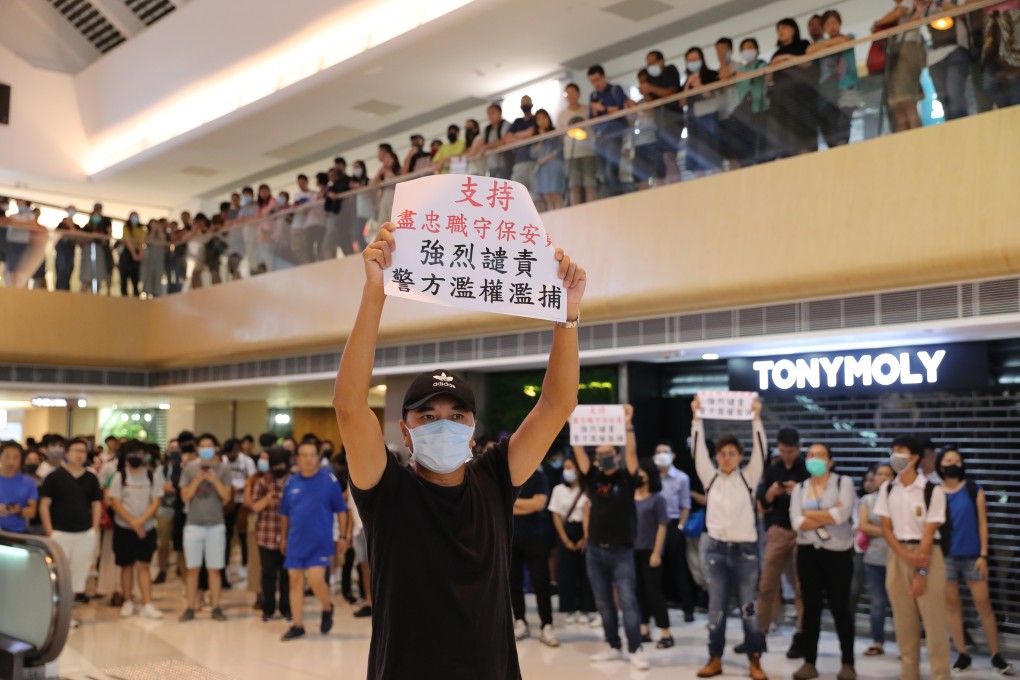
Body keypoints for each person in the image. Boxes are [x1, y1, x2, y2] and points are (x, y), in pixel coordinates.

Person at [335, 221, 586, 679]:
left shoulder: (494, 478)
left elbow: (557, 404)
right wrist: (376, 291)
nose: (443, 425)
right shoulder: (385, 490)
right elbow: (350, 407)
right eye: (427, 416)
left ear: (473, 430)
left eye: (457, 415)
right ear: (405, 431)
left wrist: (566, 317)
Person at [691, 397, 768, 680]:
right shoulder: (710, 478)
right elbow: (697, 451)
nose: (726, 457)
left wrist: (756, 419)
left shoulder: (749, 478)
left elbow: (762, 451)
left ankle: (755, 660)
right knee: (716, 609)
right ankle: (714, 658)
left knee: (749, 609)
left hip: (745, 552)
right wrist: (696, 418)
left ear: (739, 456)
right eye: (722, 453)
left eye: (732, 453)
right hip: (715, 551)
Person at [572, 405, 650, 671]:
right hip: (595, 549)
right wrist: (574, 424)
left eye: (608, 453)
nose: (603, 456)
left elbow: (632, 453)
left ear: (615, 456)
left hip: (621, 550)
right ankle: (612, 645)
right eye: (599, 453)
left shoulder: (626, 478)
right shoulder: (593, 478)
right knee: (604, 602)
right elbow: (579, 453)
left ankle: (636, 648)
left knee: (627, 601)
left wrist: (628, 425)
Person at [874, 435, 951, 680]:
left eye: (901, 450)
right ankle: (909, 673)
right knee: (903, 622)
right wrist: (903, 555)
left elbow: (929, 531)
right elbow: (886, 527)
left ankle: (940, 674)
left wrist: (921, 570)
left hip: (927, 556)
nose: (895, 454)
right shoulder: (888, 488)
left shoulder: (932, 490)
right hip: (898, 556)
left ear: (915, 457)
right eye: (893, 449)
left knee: (934, 623)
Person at [937, 448, 1014, 674]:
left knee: (984, 605)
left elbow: (982, 524)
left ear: (963, 464)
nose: (953, 463)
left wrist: (983, 555)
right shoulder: (934, 492)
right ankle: (962, 654)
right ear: (941, 465)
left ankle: (996, 654)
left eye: (957, 460)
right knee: (951, 606)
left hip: (972, 555)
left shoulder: (973, 489)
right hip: (945, 555)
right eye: (948, 460)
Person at [788, 443, 857, 680]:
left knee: (840, 608)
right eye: (810, 455)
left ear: (830, 461)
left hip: (837, 553)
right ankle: (809, 662)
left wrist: (810, 515)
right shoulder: (800, 488)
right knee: (811, 609)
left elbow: (842, 516)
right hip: (808, 553)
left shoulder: (843, 483)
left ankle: (848, 663)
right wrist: (826, 515)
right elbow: (796, 522)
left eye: (820, 455)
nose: (814, 459)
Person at [278, 441, 348, 640]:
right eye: (304, 455)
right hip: (296, 541)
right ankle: (297, 625)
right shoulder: (292, 482)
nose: (308, 459)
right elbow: (285, 513)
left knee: (316, 581)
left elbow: (341, 510)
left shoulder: (329, 481)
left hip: (320, 541)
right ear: (297, 459)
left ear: (318, 457)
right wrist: (283, 537)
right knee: (295, 581)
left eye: (312, 455)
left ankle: (327, 607)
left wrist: (342, 536)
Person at [754, 427, 807, 657]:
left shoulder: (807, 469)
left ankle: (801, 636)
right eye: (783, 450)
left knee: (801, 588)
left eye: (791, 451)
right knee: (766, 586)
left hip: (802, 531)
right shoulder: (772, 468)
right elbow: (761, 505)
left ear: (799, 447)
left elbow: (817, 503)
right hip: (776, 529)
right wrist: (772, 493)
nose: (787, 455)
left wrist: (800, 492)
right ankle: (758, 635)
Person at [39, 438, 103, 604]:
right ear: (67, 453)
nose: (79, 455)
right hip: (60, 532)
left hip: (84, 533)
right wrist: (50, 531)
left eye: (83, 451)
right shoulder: (54, 477)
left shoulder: (91, 478)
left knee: (77, 576)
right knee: (59, 575)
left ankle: (69, 614)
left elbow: (96, 504)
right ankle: (57, 614)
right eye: (76, 450)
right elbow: (44, 505)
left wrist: (94, 529)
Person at [178, 434, 233, 622]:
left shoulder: (223, 469)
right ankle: (190, 607)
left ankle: (216, 606)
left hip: (215, 525)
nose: (206, 449)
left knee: (215, 569)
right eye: (202, 446)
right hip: (193, 524)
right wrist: (197, 480)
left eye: (209, 445)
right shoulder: (190, 468)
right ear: (198, 449)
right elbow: (184, 496)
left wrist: (214, 479)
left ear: (215, 448)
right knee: (192, 568)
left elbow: (226, 496)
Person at [107, 440, 164, 619]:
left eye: (139, 453)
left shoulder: (151, 476)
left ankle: (147, 603)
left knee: (144, 565)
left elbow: (156, 501)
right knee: (126, 566)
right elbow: (115, 502)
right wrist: (133, 522)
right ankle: (127, 601)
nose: (136, 457)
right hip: (124, 527)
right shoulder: (120, 477)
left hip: (146, 528)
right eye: (132, 454)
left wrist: (141, 521)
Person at [509, 465, 557, 646]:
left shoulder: (539, 477)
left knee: (540, 582)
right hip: (511, 535)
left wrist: (512, 502)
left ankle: (547, 624)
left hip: (535, 537)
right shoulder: (510, 474)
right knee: (513, 582)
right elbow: (499, 502)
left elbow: (538, 504)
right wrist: (524, 504)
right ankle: (520, 620)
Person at [548, 456, 595, 625]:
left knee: (585, 572)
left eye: (570, 468)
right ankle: (568, 608)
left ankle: (585, 609)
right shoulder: (558, 489)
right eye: (565, 468)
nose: (567, 471)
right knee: (566, 572)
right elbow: (555, 515)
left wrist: (585, 537)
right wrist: (565, 539)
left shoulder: (587, 490)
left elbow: (590, 514)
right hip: (565, 530)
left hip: (584, 530)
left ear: (578, 470)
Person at [653, 441, 695, 622]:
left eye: (665, 451)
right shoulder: (651, 476)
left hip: (673, 524)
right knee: (655, 569)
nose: (662, 454)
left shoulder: (681, 478)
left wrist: (680, 526)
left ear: (673, 455)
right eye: (658, 451)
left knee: (679, 568)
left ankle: (688, 608)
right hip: (653, 527)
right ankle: (655, 607)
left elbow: (686, 505)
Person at [633, 458, 673, 648]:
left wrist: (657, 552)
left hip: (650, 551)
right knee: (638, 592)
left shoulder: (657, 498)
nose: (639, 476)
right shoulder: (631, 496)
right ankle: (643, 629)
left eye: (642, 473)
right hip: (632, 551)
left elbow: (662, 526)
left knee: (654, 592)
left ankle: (665, 632)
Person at [858, 462, 894, 657]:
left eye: (887, 474)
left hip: (897, 558)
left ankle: (906, 643)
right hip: (873, 559)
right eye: (879, 474)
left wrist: (879, 530)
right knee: (878, 602)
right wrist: (889, 531)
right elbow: (864, 527)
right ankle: (877, 642)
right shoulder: (867, 500)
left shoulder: (899, 500)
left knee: (901, 604)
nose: (882, 478)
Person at [808, 11, 861, 148]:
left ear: (840, 23)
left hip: (848, 85)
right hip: (827, 88)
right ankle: (835, 148)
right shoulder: (820, 42)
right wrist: (830, 44)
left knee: (844, 120)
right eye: (828, 24)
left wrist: (826, 45)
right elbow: (810, 50)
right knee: (829, 121)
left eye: (834, 22)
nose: (832, 26)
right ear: (823, 28)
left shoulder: (849, 36)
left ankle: (842, 146)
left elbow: (844, 41)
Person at [769, 19, 819, 158]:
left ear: (793, 29)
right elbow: (770, 78)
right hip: (781, 102)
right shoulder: (775, 54)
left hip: (802, 99)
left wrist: (788, 58)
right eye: (778, 29)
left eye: (784, 28)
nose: (780, 32)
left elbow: (809, 63)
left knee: (804, 138)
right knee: (785, 139)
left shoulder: (802, 44)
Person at [875, 1, 925, 132]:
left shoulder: (907, 3)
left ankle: (916, 137)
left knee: (907, 101)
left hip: (906, 50)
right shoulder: (900, 7)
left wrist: (878, 23)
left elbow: (898, 13)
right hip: (897, 54)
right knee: (897, 104)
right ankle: (903, 137)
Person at [719, 38, 769, 168]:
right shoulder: (739, 68)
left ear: (757, 49)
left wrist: (739, 74)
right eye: (744, 48)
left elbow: (767, 77)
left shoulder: (762, 64)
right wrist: (723, 58)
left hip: (759, 109)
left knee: (761, 147)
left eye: (750, 47)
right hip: (743, 113)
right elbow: (724, 76)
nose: (747, 51)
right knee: (744, 148)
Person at [640, 50, 683, 183]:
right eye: (648, 65)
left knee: (668, 155)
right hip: (658, 123)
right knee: (662, 158)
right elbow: (651, 102)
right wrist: (644, 93)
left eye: (653, 63)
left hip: (673, 120)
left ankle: (676, 185)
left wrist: (650, 88)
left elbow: (669, 92)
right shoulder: (650, 79)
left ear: (661, 61)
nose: (650, 67)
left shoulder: (671, 70)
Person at [588, 65, 631, 197]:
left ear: (604, 77)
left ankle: (619, 198)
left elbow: (621, 109)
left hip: (614, 133)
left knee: (610, 171)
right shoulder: (593, 95)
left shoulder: (615, 90)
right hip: (600, 136)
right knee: (603, 173)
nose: (596, 84)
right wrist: (596, 112)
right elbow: (591, 119)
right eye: (592, 81)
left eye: (597, 79)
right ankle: (612, 198)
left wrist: (603, 109)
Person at [682, 47, 722, 177]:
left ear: (702, 59)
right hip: (693, 119)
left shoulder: (711, 74)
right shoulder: (685, 81)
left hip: (710, 116)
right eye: (690, 60)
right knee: (695, 155)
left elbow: (713, 95)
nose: (693, 62)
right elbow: (682, 103)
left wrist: (698, 85)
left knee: (712, 152)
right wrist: (688, 85)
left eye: (695, 58)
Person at [556, 83, 598, 205]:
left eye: (572, 92)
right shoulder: (562, 115)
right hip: (570, 154)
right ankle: (576, 208)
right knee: (573, 184)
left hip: (588, 151)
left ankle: (592, 207)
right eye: (567, 93)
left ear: (578, 93)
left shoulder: (587, 109)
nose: (570, 95)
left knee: (590, 183)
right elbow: (559, 136)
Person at [222, 438, 255, 584]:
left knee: (242, 534)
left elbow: (252, 478)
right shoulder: (222, 460)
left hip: (242, 501)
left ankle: (244, 565)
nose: (231, 455)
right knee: (227, 535)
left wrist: (243, 487)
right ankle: (226, 566)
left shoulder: (246, 461)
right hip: (227, 501)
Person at [977, 1, 1020, 109]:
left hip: (1012, 18)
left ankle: (1011, 116)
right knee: (989, 83)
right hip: (992, 23)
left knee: (1015, 80)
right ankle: (1007, 114)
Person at [0, 440, 38, 533]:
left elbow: (32, 512)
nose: (11, 462)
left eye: (16, 457)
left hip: (18, 533)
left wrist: (19, 511)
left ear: (21, 459)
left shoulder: (29, 481)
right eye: (7, 457)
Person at [530, 109, 564, 211]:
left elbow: (559, 149)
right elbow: (533, 153)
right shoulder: (536, 137)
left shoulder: (556, 133)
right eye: (538, 119)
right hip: (543, 170)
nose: (541, 121)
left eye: (543, 117)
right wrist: (541, 138)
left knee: (556, 195)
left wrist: (545, 158)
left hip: (554, 166)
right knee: (547, 197)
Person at [506, 96, 538, 190]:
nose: (525, 105)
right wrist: (524, 137)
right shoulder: (517, 121)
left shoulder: (536, 119)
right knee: (518, 190)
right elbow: (507, 139)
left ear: (531, 104)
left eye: (527, 102)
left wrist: (515, 136)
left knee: (535, 192)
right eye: (523, 103)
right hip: (519, 161)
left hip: (534, 160)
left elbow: (531, 132)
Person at [482, 103, 512, 179]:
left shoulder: (505, 124)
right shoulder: (487, 129)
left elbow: (503, 141)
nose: (490, 116)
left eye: (493, 112)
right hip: (491, 166)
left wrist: (487, 147)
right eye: (488, 113)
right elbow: (481, 144)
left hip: (504, 164)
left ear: (500, 113)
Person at [119, 212, 144, 296]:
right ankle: (124, 296)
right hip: (127, 253)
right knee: (124, 276)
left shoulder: (141, 229)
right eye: (133, 217)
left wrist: (140, 253)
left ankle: (136, 296)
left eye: (136, 217)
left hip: (136, 253)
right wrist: (133, 254)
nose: (134, 219)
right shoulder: (126, 228)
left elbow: (141, 242)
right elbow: (128, 240)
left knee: (135, 278)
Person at [141, 219, 167, 297]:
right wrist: (153, 230)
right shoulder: (147, 233)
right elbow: (147, 241)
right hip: (149, 259)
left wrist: (159, 230)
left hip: (159, 258)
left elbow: (163, 242)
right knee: (148, 276)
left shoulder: (162, 234)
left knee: (158, 275)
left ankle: (157, 293)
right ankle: (147, 292)